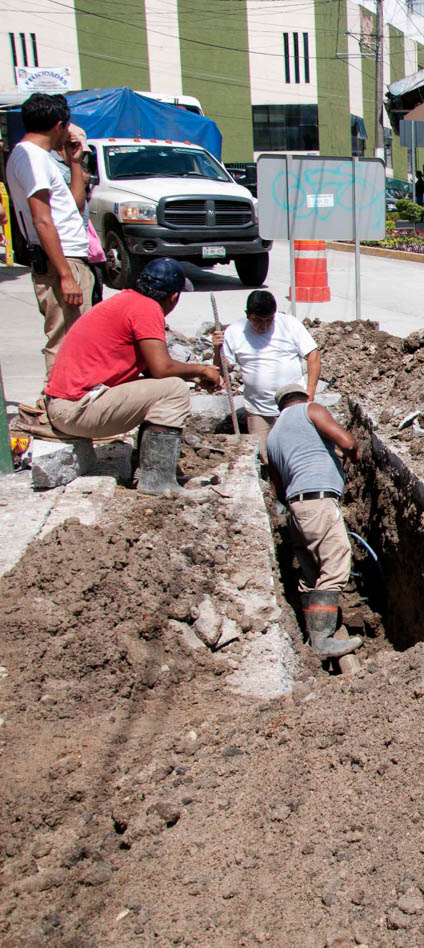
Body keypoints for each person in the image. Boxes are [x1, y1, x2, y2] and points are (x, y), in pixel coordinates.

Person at [43, 257, 221, 497]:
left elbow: (152, 372)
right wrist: (201, 370)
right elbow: (161, 369)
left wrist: (193, 378)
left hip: (68, 404)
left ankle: (147, 469)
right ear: (174, 297)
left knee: (170, 386)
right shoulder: (146, 309)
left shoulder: (128, 301)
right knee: (174, 390)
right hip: (76, 408)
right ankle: (156, 480)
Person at [264, 383, 362, 658]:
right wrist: (353, 455)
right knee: (334, 568)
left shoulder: (272, 435)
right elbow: (348, 442)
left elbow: (277, 485)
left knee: (310, 574)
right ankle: (322, 641)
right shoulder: (311, 409)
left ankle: (311, 635)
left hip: (296, 509)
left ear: (279, 406)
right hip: (318, 502)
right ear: (305, 398)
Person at [5, 92, 95, 373]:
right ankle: (56, 408)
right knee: (64, 342)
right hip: (61, 261)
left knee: (78, 339)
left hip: (70, 257)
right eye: (66, 127)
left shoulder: (38, 157)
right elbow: (42, 220)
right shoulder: (31, 158)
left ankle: (66, 406)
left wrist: (75, 162)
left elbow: (74, 205)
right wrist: (66, 276)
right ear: (58, 125)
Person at [211, 289, 321, 448]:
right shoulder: (235, 332)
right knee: (263, 457)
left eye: (268, 320)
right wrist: (217, 349)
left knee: (296, 451)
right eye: (257, 320)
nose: (263, 326)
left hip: (292, 408)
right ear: (248, 314)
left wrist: (310, 393)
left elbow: (313, 355)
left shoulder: (289, 324)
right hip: (258, 411)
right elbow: (223, 370)